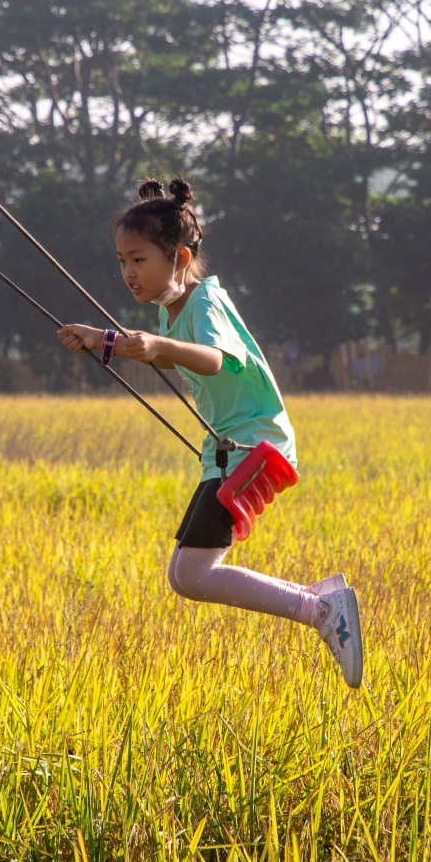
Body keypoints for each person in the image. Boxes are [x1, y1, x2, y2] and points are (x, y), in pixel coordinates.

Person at [57, 178, 364, 688]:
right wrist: (104, 340)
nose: (128, 272)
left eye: (139, 259)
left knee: (194, 573)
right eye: (122, 261)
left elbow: (216, 359)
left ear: (178, 257)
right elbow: (158, 348)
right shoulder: (169, 310)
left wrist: (156, 346)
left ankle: (322, 611)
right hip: (226, 448)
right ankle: (320, 600)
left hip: (253, 443)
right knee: (185, 576)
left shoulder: (203, 304)